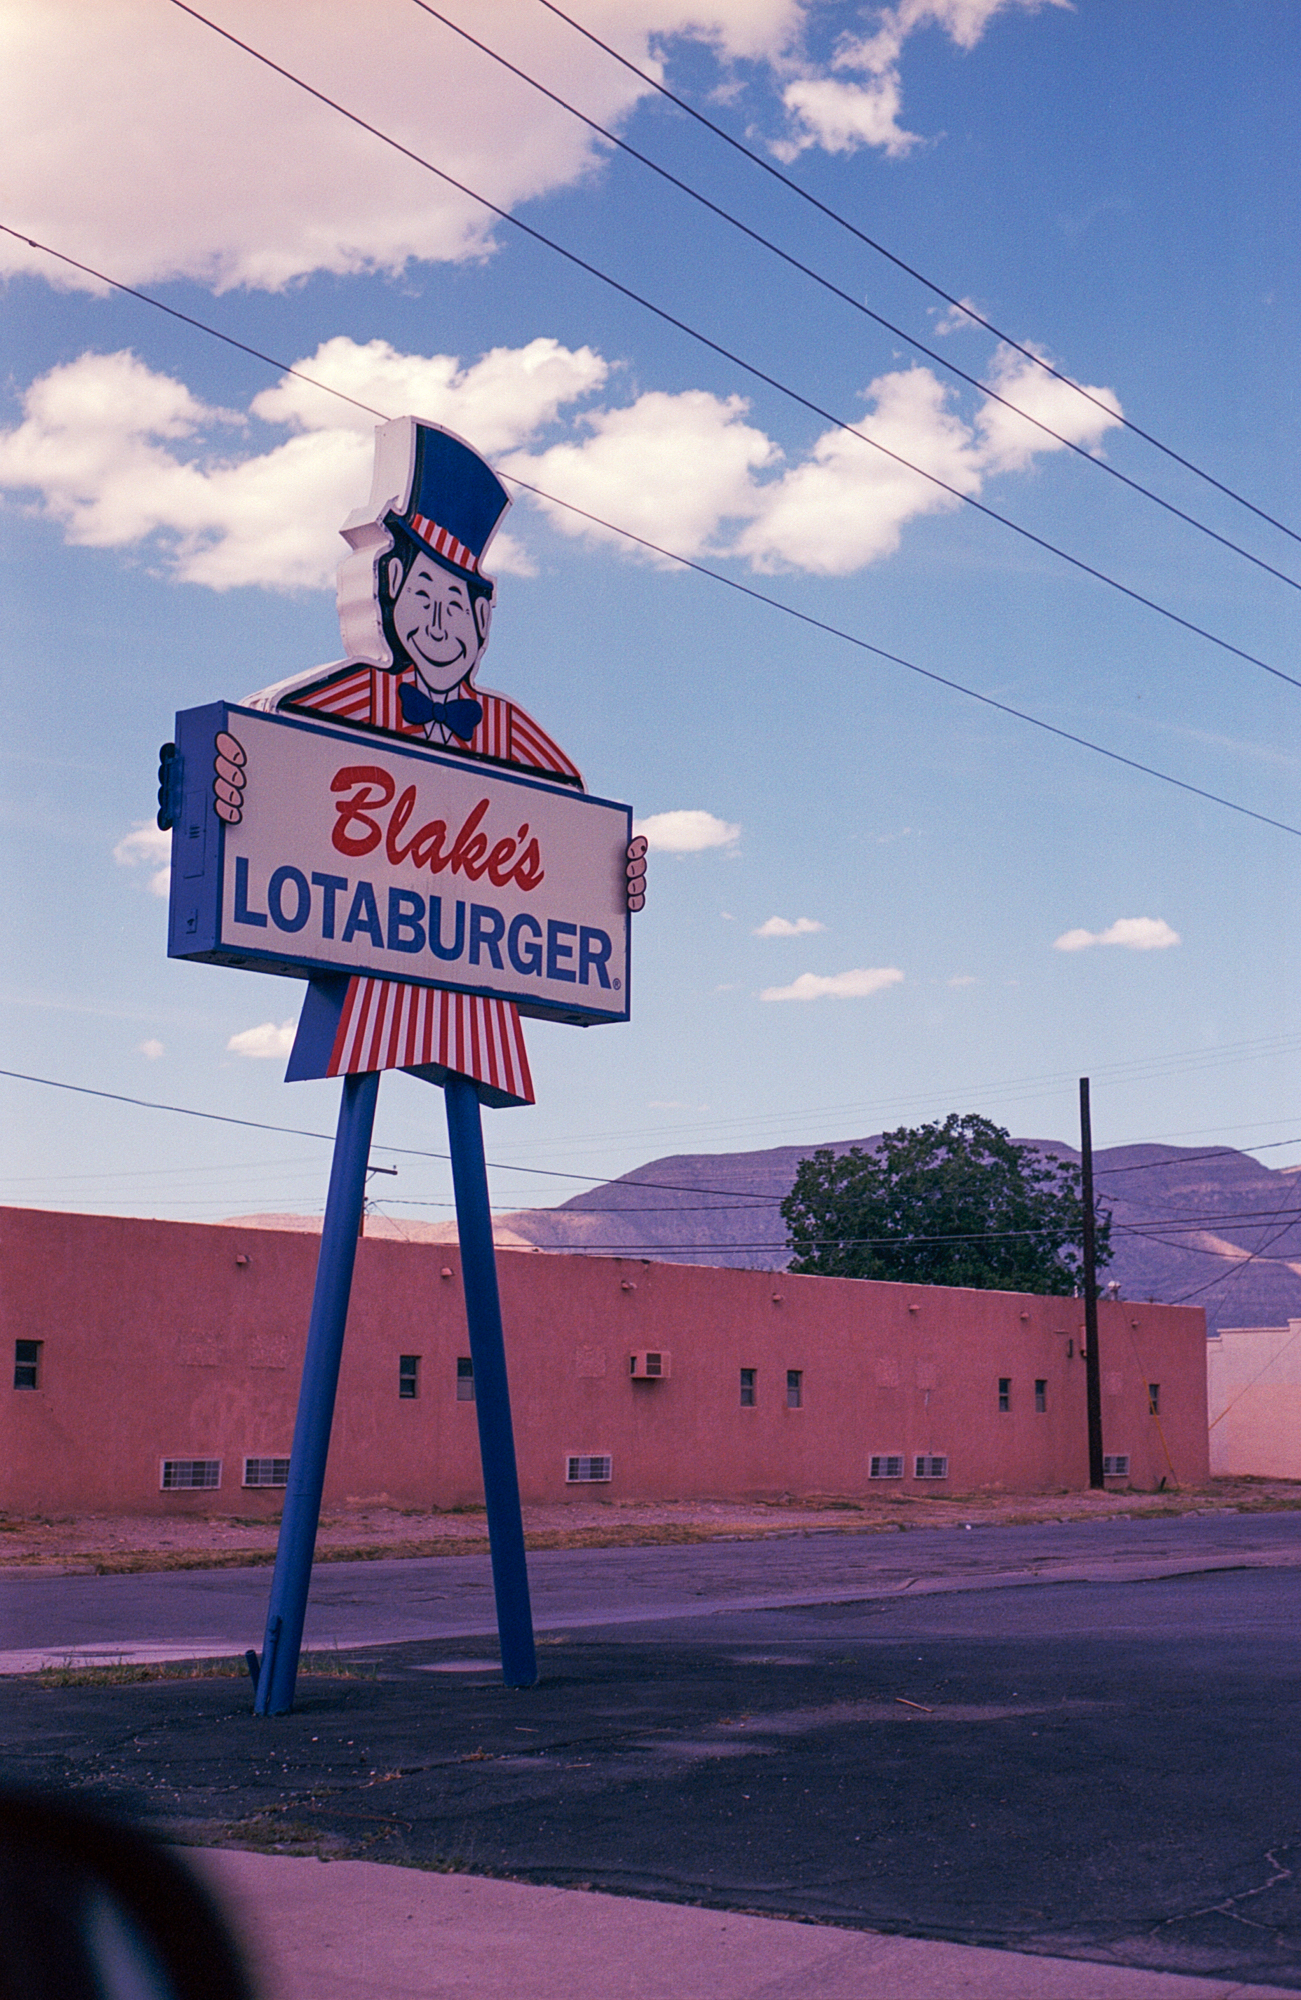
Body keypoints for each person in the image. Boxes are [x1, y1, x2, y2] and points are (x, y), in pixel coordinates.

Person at [232, 417, 645, 1107]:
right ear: (385, 592)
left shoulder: (509, 730)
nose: (437, 620)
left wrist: (613, 877)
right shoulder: (347, 697)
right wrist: (226, 788)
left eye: (454, 602)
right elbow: (261, 740)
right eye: (422, 596)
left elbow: (577, 819)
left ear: (481, 622)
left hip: (483, 988)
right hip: (364, 977)